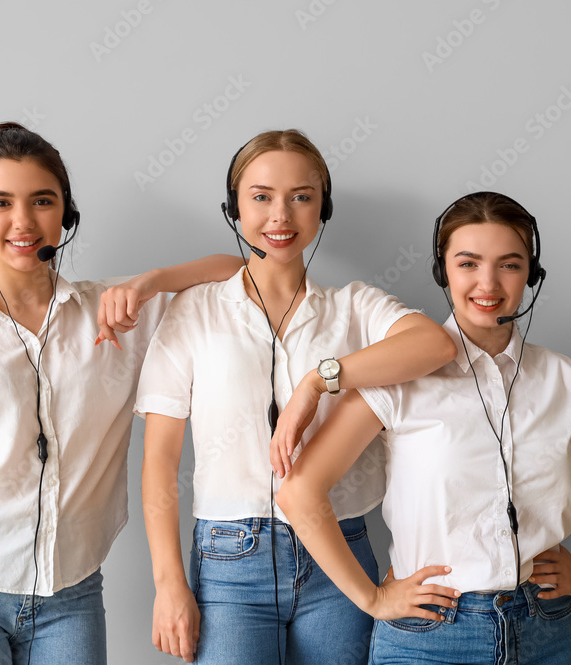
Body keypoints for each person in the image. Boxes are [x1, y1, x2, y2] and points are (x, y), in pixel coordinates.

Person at [0, 122, 244, 665]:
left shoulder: (115, 313)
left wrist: (149, 281)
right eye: (0, 203)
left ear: (66, 213)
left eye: (42, 201)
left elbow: (243, 276)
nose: (23, 222)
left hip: (71, 593)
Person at [276, 191, 571, 664]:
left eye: (510, 265)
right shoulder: (396, 382)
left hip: (547, 631)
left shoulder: (570, 382)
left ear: (531, 275)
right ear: (443, 271)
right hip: (431, 636)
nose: (488, 283)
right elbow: (298, 491)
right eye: (468, 263)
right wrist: (371, 599)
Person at [135, 129, 458, 664]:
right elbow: (158, 464)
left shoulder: (355, 308)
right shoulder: (193, 311)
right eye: (261, 196)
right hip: (228, 560)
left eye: (300, 197)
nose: (280, 215)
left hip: (339, 551)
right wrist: (169, 583)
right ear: (233, 208)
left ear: (322, 208)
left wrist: (320, 379)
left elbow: (435, 344)